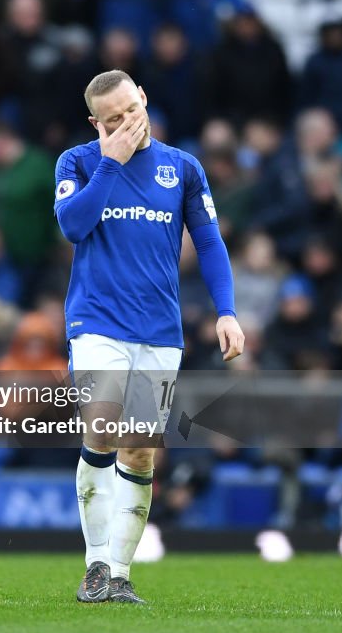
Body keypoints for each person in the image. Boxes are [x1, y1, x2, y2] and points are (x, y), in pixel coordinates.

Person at [54, 70, 244, 604]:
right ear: (96, 122)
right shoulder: (78, 162)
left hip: (160, 331)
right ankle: (93, 565)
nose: (125, 124)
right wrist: (110, 163)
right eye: (111, 120)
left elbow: (208, 242)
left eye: (130, 112)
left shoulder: (182, 168)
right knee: (102, 424)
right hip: (95, 322)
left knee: (139, 453)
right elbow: (73, 225)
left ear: (143, 98)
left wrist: (225, 311)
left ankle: (118, 573)